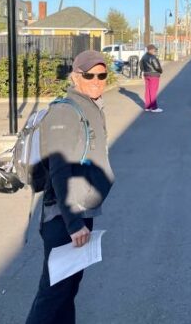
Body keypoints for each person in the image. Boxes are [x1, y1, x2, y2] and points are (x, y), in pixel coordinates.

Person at [26, 50, 115, 324]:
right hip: (64, 217)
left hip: (79, 211)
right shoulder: (65, 111)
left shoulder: (91, 105)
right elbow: (59, 170)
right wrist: (74, 222)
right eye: (89, 75)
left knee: (67, 290)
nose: (97, 80)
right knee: (53, 294)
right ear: (75, 76)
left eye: (102, 75)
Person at [140, 44, 163, 112]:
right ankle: (154, 108)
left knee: (148, 90)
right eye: (154, 50)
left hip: (146, 74)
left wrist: (145, 71)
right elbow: (157, 67)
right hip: (154, 75)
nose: (155, 51)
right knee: (153, 91)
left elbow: (141, 66)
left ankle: (148, 106)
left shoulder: (144, 57)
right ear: (151, 50)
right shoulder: (153, 57)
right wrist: (160, 71)